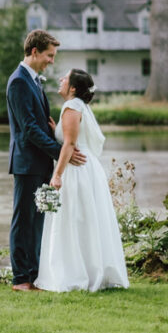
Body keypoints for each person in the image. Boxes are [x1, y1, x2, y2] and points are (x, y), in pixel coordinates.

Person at [35, 69, 129, 292]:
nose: (61, 80)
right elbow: (73, 137)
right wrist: (56, 130)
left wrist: (56, 175)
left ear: (73, 88)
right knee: (86, 221)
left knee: (72, 220)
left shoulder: (71, 107)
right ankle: (90, 269)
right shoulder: (80, 107)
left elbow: (69, 145)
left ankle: (72, 274)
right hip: (89, 169)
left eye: (65, 79)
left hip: (76, 171)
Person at [5, 30, 86, 292]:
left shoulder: (35, 81)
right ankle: (20, 279)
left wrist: (55, 141)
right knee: (23, 220)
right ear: (34, 51)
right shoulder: (19, 81)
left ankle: (34, 276)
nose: (51, 61)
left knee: (38, 221)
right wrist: (61, 151)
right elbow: (29, 128)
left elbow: (40, 124)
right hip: (27, 163)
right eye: (49, 55)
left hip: (40, 163)